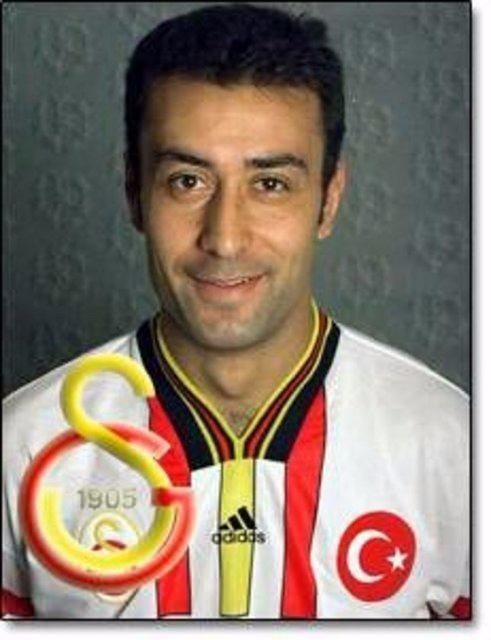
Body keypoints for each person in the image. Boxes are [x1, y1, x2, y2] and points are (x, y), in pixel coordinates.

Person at [2, 3, 469, 620]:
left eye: (270, 184)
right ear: (134, 193)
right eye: (187, 181)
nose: (224, 238)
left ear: (329, 199)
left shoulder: (455, 446)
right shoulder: (21, 448)